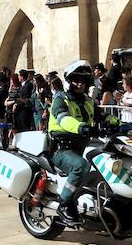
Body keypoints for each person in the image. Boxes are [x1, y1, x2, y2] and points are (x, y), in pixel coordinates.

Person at [47, 60, 115, 226]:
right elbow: (63, 119)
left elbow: (104, 116)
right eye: (76, 80)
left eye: (83, 81)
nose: (80, 84)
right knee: (80, 166)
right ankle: (63, 204)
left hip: (82, 147)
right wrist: (81, 128)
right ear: (69, 81)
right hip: (60, 150)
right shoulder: (60, 99)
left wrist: (122, 124)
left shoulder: (87, 101)